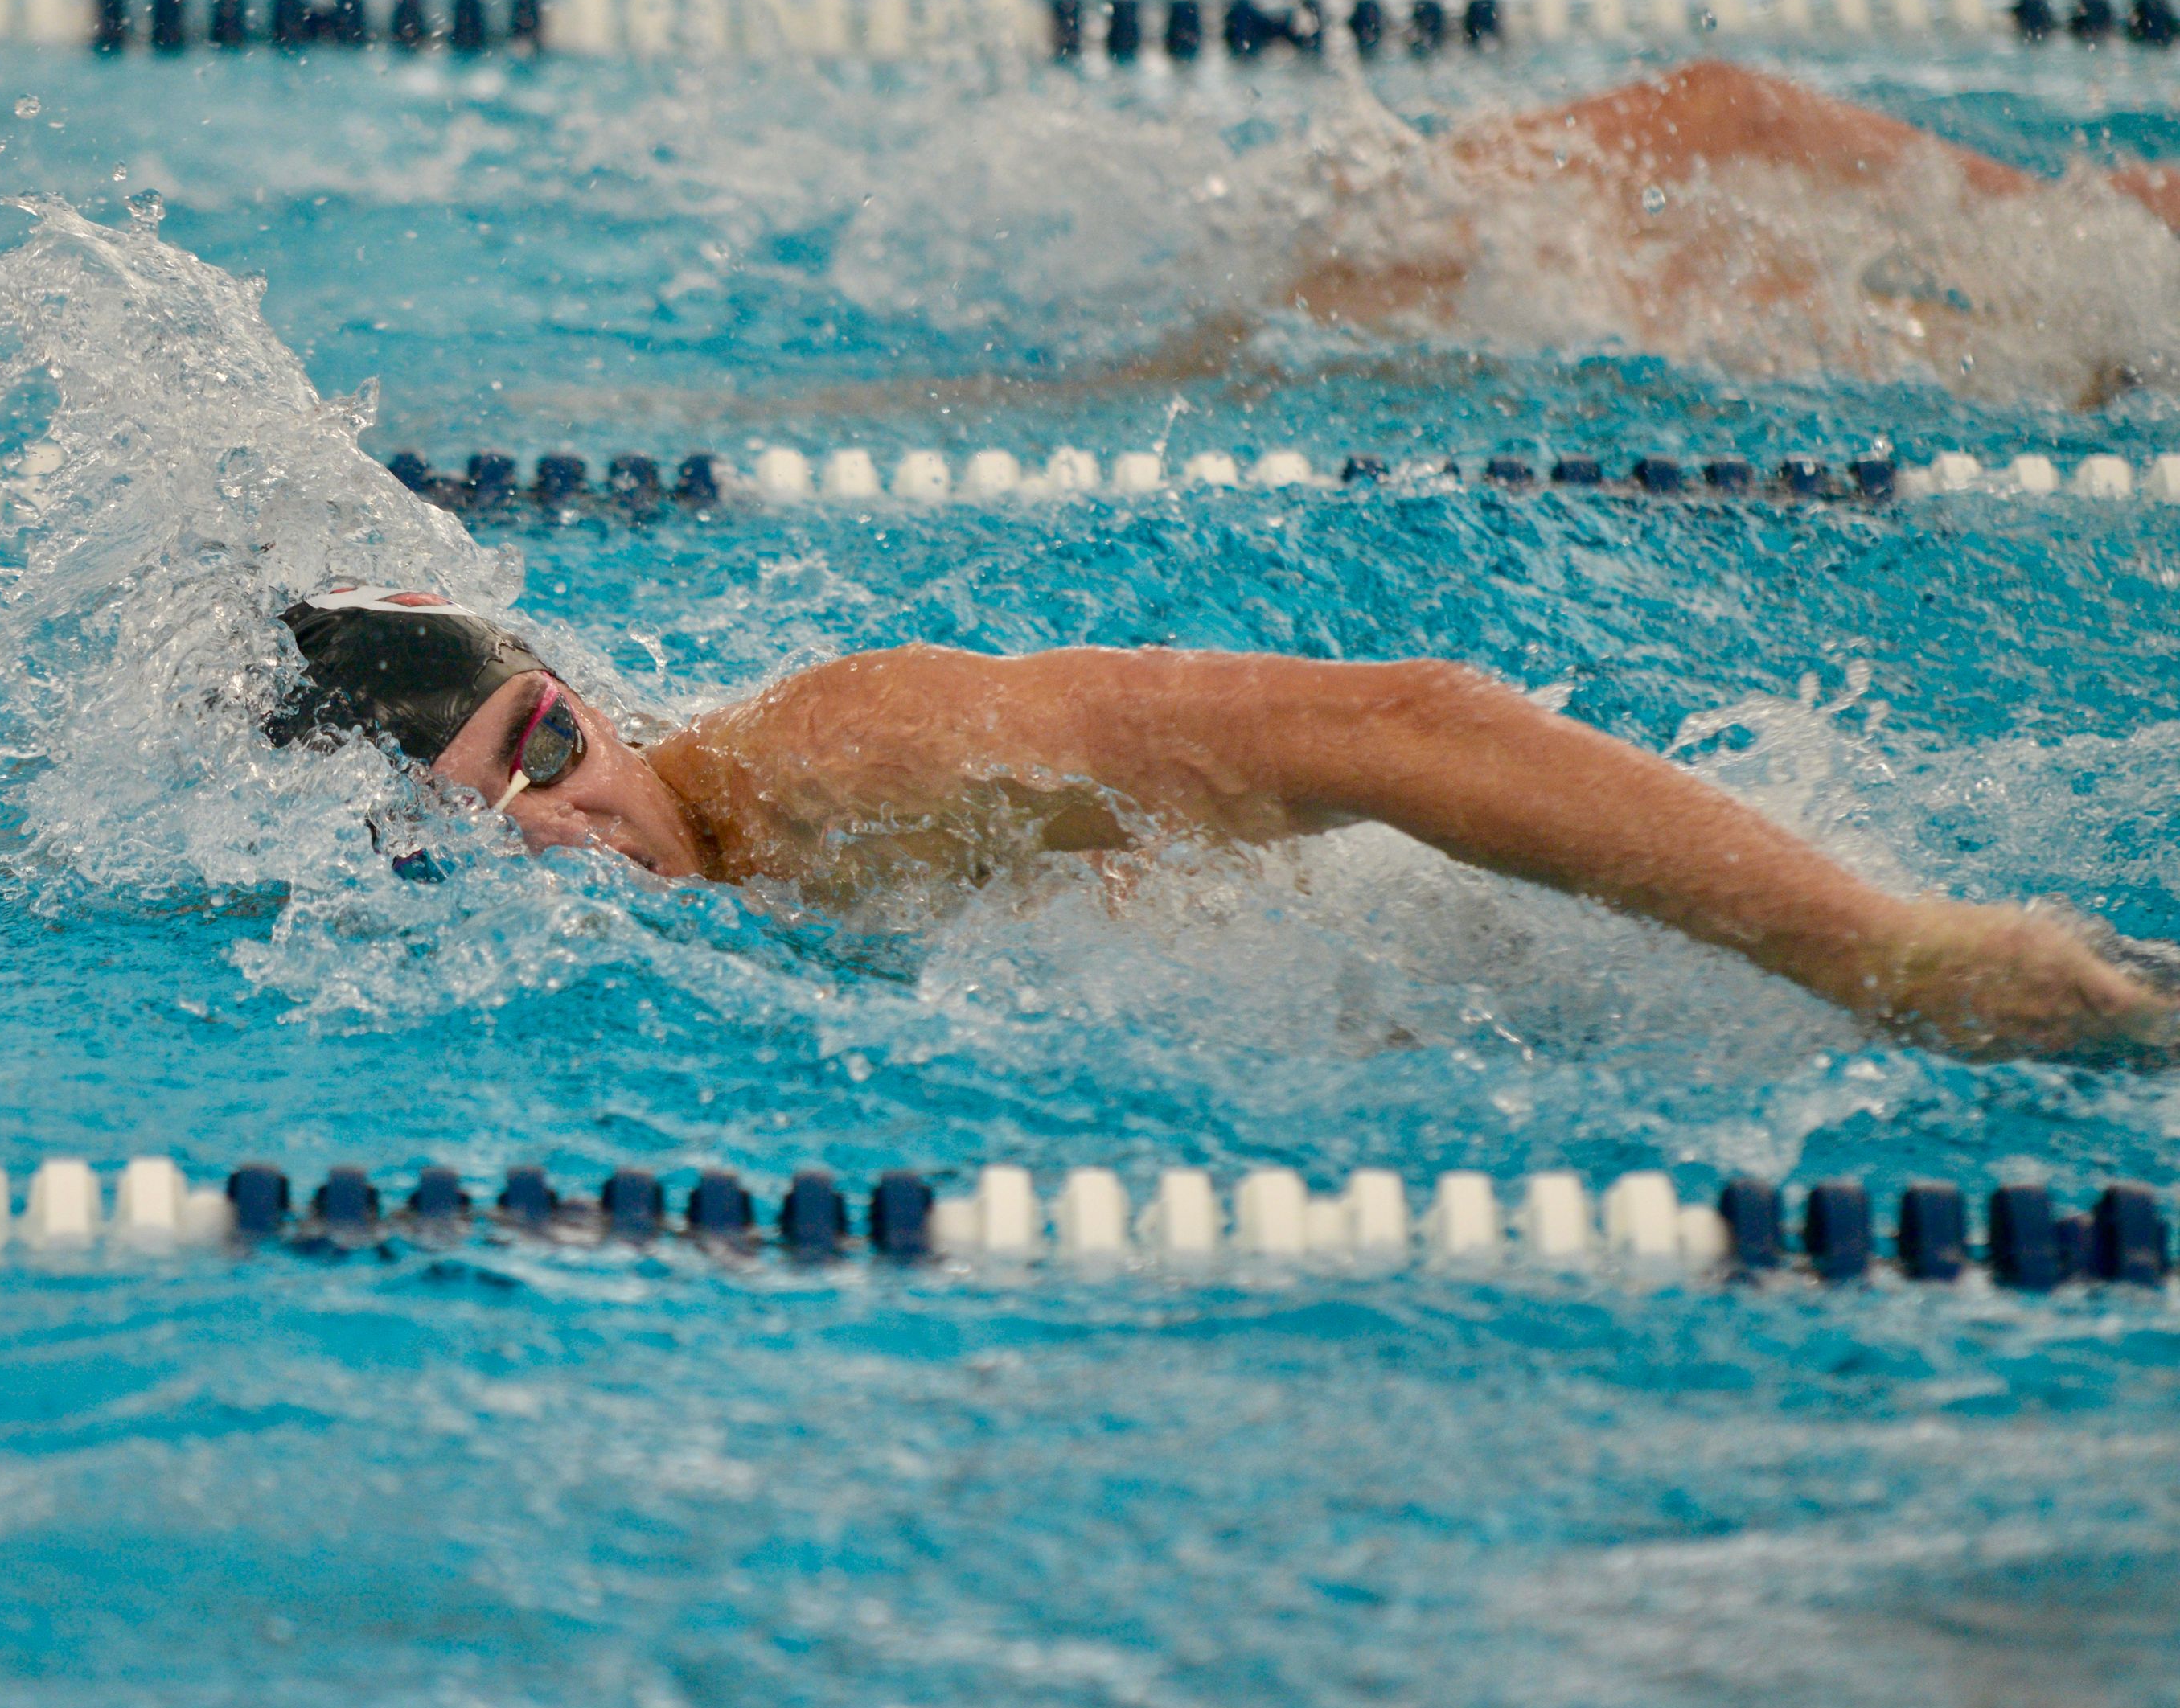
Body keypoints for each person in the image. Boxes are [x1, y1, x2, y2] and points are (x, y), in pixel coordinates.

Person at [269, 586, 2179, 1061]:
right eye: (473, 829)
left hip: (1552, 914)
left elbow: (1401, 726)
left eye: (546, 745)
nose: (565, 826)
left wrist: (1870, 949)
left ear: (574, 680)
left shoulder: (852, 760)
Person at [1279, 59, 2180, 406]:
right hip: (2113, 299)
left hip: (2116, 281)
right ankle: (1337, 283)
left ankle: (1329, 278)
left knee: (1726, 127)